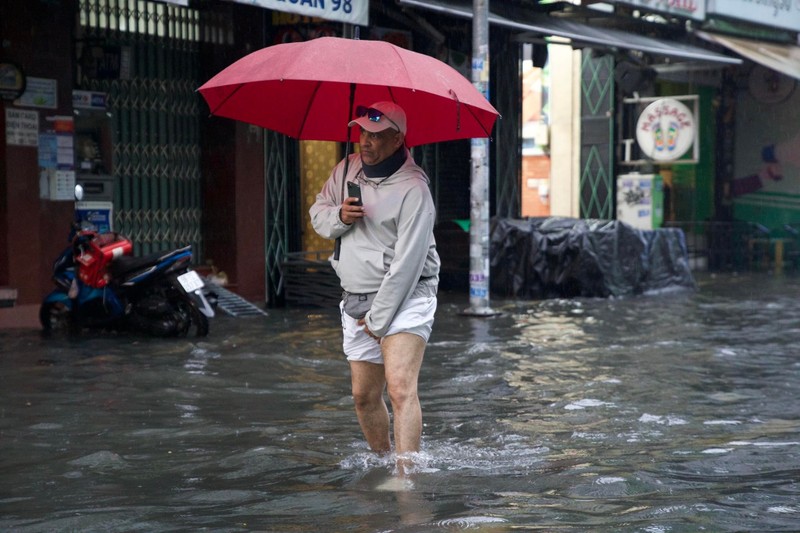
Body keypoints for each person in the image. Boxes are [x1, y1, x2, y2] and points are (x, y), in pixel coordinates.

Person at [309, 101, 440, 468]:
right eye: (362, 132)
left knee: (399, 388)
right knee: (364, 395)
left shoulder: (415, 190)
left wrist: (380, 319)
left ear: (397, 139)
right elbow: (318, 212)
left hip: (407, 296)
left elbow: (408, 264)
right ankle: (383, 462)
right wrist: (339, 216)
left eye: (376, 135)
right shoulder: (347, 169)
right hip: (355, 296)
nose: (365, 141)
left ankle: (406, 476)